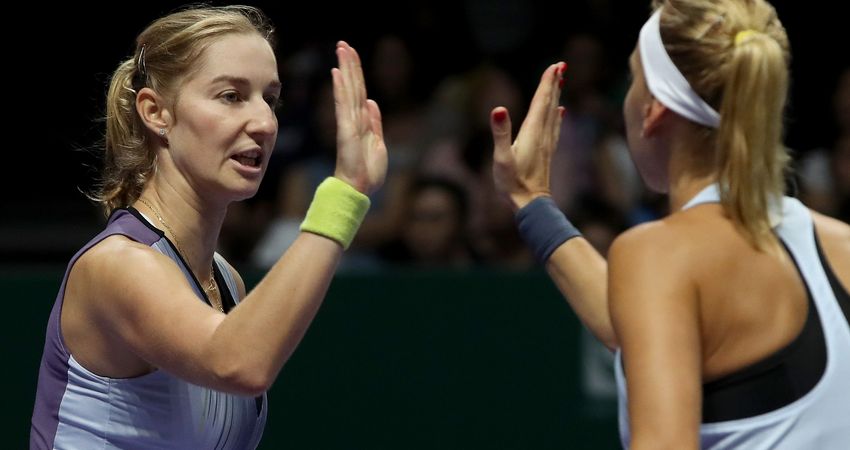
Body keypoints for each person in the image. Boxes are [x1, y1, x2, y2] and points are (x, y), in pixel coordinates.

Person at [491, 0, 850, 448]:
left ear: (653, 110)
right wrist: (531, 201)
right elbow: (642, 324)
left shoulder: (658, 255)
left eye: (634, 78)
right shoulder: (842, 247)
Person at [30, 5, 387, 449]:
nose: (263, 123)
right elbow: (240, 363)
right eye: (231, 96)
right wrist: (345, 194)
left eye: (269, 99)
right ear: (157, 113)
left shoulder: (227, 282)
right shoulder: (116, 266)